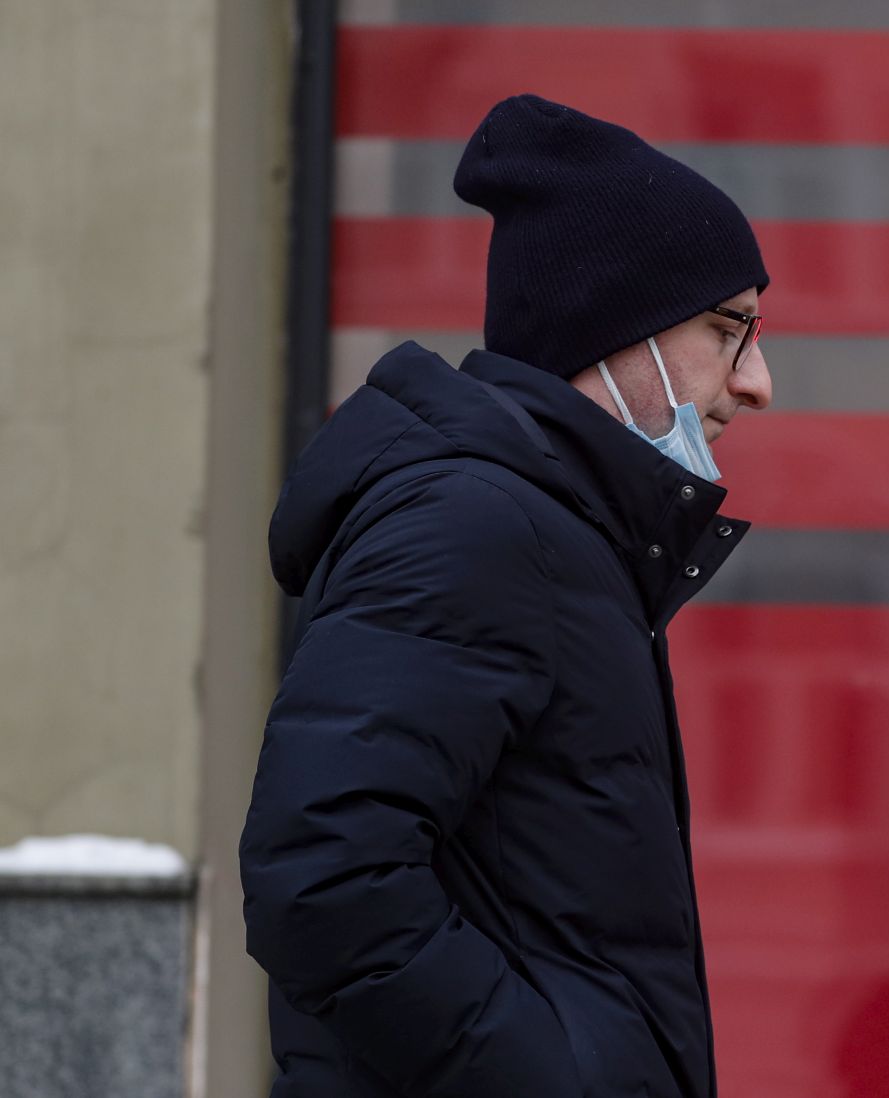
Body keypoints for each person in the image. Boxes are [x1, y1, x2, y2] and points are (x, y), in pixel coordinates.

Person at [238, 94, 772, 1097]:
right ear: (616, 325)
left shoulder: (551, 530)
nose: (755, 383)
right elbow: (323, 875)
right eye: (726, 328)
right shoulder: (478, 526)